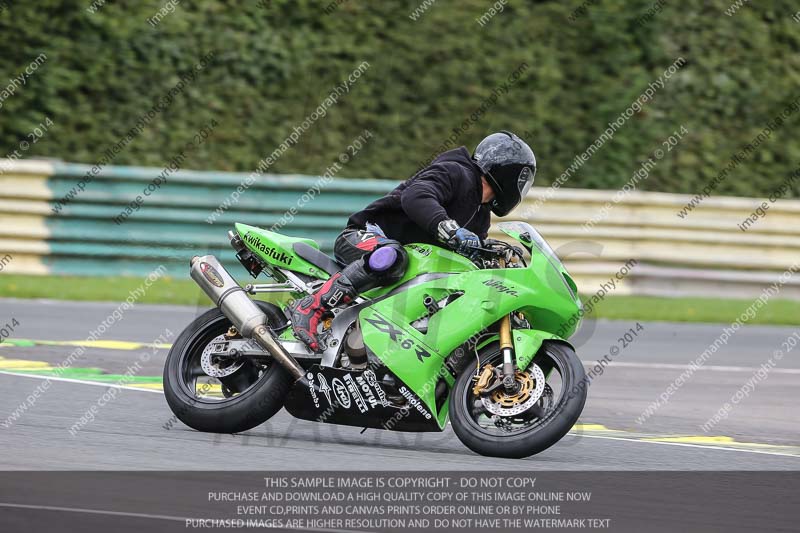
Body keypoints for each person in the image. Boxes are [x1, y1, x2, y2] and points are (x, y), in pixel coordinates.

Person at [289, 131, 537, 352]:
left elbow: (470, 258)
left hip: (406, 268)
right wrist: (448, 228)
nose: (521, 189)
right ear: (507, 172)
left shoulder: (481, 215)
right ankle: (311, 307)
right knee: (393, 256)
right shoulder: (455, 171)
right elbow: (416, 196)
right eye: (521, 180)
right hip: (364, 237)